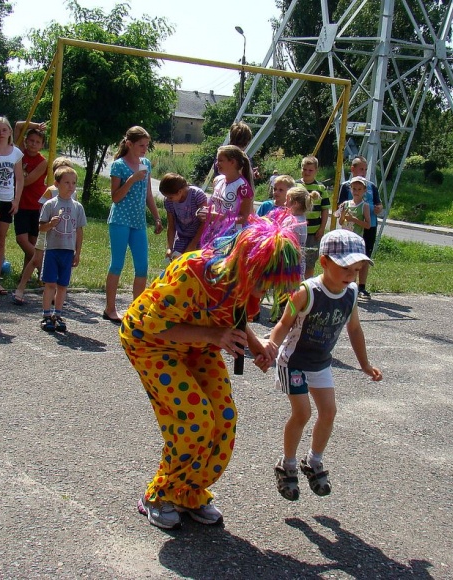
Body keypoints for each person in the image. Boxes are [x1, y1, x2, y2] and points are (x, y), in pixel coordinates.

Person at [119, 216, 303, 530]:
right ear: (247, 264)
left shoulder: (243, 282)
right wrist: (213, 337)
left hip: (199, 344)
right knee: (196, 420)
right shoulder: (193, 273)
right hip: (151, 343)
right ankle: (159, 495)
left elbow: (235, 313)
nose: (264, 291)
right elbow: (155, 326)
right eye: (263, 282)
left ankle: (189, 493)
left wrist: (258, 346)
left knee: (225, 419)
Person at [268, 229, 382, 502]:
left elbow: (354, 329)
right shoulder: (307, 292)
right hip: (293, 362)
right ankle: (288, 464)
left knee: (329, 412)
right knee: (303, 413)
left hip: (320, 363)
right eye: (345, 268)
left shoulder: (351, 293)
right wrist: (271, 347)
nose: (351, 275)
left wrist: (364, 364)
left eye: (357, 269)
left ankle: (313, 460)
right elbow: (284, 323)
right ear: (324, 263)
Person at [103, 126, 163, 324]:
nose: (145, 149)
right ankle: (110, 308)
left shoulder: (145, 164)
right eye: (141, 145)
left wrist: (156, 217)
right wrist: (130, 180)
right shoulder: (119, 165)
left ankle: (137, 309)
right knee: (117, 264)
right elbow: (116, 198)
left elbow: (147, 195)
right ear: (129, 144)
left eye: (147, 145)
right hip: (120, 220)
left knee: (142, 266)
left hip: (138, 222)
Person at [12, 156, 74, 306]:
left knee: (60, 263)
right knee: (36, 259)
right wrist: (50, 222)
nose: (69, 184)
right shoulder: (50, 192)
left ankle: (55, 294)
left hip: (62, 235)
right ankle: (21, 288)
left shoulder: (73, 193)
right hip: (46, 233)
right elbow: (43, 211)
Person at [38, 165, 86, 332]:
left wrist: (77, 252)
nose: (71, 186)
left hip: (68, 251)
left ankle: (58, 314)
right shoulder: (50, 204)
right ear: (57, 184)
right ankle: (46, 315)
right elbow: (41, 227)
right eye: (67, 182)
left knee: (63, 285)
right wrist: (51, 224)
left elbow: (79, 231)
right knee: (50, 283)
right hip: (52, 250)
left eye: (73, 183)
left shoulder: (77, 207)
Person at [0, 116, 24, 296]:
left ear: (9, 132)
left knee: (0, 240)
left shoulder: (16, 153)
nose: (1, 134)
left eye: (4, 130)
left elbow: (19, 178)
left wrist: (16, 200)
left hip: (8, 199)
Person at [338, 156, 383, 299]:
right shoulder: (346, 186)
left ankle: (362, 286)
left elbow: (379, 204)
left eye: (365, 169)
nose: (363, 172)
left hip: (369, 225)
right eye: (360, 169)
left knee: (364, 257)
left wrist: (378, 208)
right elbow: (340, 205)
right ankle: (347, 284)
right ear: (353, 169)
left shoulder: (371, 186)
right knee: (348, 257)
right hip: (350, 227)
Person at [199, 145, 254, 246]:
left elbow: (243, 218)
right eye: (217, 160)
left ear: (232, 162)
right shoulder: (218, 180)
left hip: (231, 236)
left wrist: (217, 217)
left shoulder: (242, 187)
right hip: (213, 232)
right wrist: (205, 212)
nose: (217, 164)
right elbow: (215, 204)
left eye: (220, 160)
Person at [14, 124, 49, 274]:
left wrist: (19, 175)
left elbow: (26, 181)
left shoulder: (43, 162)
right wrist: (36, 126)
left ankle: (25, 274)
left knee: (33, 241)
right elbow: (18, 126)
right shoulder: (19, 153)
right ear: (26, 141)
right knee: (21, 239)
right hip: (21, 203)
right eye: (31, 140)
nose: (33, 144)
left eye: (37, 142)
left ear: (42, 145)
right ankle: (43, 264)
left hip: (36, 204)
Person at [159, 172, 206, 262]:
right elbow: (171, 225)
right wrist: (169, 247)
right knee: (176, 263)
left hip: (200, 237)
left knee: (195, 265)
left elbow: (205, 222)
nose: (168, 199)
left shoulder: (197, 195)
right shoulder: (169, 202)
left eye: (170, 197)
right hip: (182, 237)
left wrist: (193, 244)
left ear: (180, 192)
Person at [299, 155, 330, 279]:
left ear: (316, 171)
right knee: (296, 260)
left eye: (310, 170)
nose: (307, 172)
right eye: (304, 169)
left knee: (310, 261)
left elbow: (325, 209)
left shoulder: (321, 188)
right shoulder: (295, 185)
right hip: (298, 231)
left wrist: (322, 228)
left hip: (313, 232)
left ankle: (307, 286)